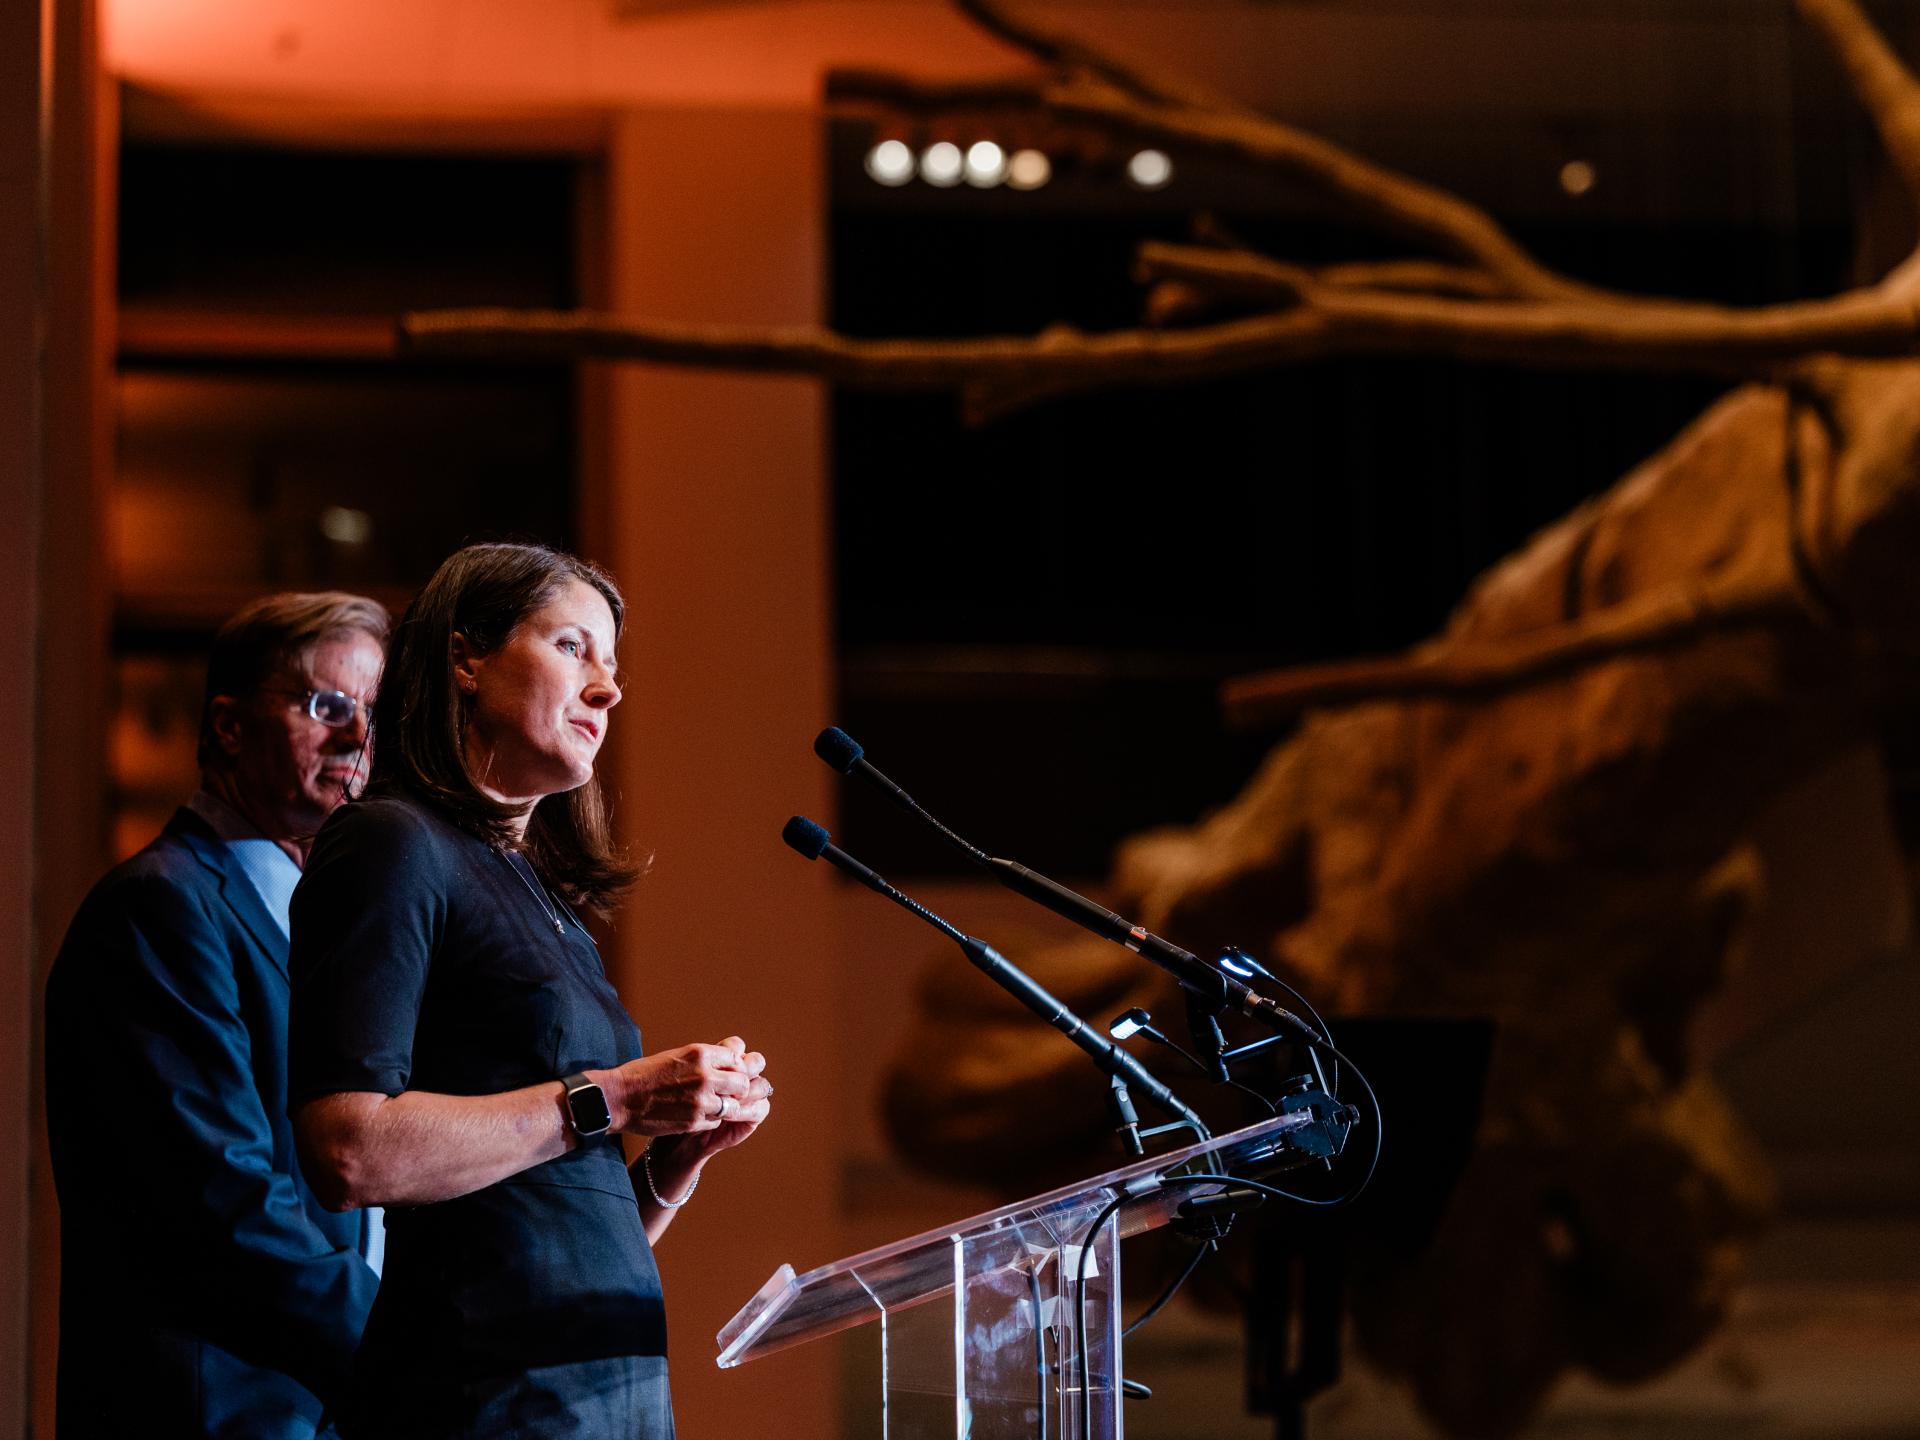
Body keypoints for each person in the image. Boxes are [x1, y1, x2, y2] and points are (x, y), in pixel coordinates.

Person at [288, 542, 772, 1440]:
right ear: (467, 658)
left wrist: (675, 1160)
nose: (608, 688)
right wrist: (619, 1094)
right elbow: (348, 1150)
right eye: (572, 648)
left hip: (603, 1394)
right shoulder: (391, 843)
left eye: (613, 664)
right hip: (480, 1400)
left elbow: (546, 1227)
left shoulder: (546, 902)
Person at [45, 591, 389, 1439]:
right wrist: (408, 1350)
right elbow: (226, 1201)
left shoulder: (327, 923)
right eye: (326, 706)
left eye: (372, 714)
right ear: (230, 727)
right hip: (217, 1410)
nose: (357, 738)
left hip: (322, 1407)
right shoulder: (161, 909)